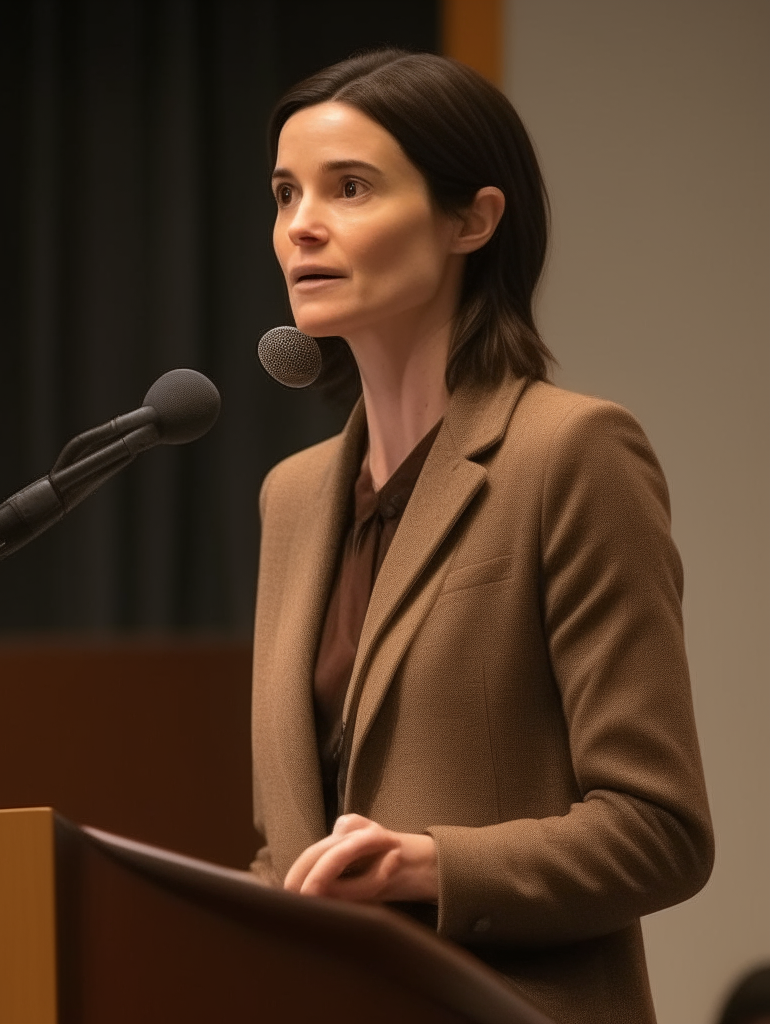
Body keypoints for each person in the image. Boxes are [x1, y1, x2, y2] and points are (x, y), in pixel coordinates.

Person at [249, 50, 714, 1024]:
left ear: (473, 219)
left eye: (350, 188)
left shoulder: (569, 452)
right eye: (286, 193)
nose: (303, 226)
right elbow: (286, 840)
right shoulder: (291, 499)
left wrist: (428, 863)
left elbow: (660, 829)